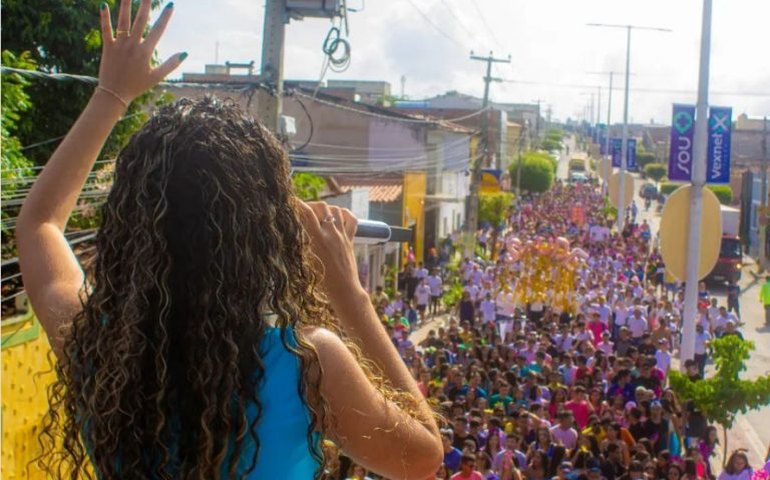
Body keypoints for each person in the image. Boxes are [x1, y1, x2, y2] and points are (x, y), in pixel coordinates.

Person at [16, 2, 442, 478]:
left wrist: (112, 93)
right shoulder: (308, 363)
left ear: (128, 226)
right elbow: (423, 458)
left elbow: (39, 224)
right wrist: (349, 293)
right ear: (262, 236)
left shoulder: (97, 347)